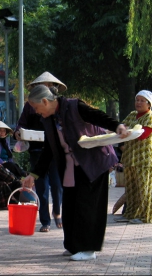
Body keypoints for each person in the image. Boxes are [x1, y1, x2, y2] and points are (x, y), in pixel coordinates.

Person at [21, 84, 130, 261]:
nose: (35, 111)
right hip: (72, 167)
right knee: (70, 205)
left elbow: (98, 116)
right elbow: (49, 150)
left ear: (45, 101)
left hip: (94, 162)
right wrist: (33, 175)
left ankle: (89, 249)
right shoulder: (48, 119)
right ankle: (73, 246)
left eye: (35, 107)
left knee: (88, 207)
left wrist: (117, 126)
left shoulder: (74, 106)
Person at [13, 71, 65, 232]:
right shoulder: (30, 106)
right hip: (37, 150)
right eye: (43, 85)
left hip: (55, 151)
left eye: (50, 86)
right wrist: (19, 133)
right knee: (41, 186)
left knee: (57, 185)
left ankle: (58, 213)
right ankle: (45, 221)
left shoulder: (58, 106)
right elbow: (21, 124)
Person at [115, 90, 152, 224]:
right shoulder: (132, 115)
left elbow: (142, 135)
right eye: (137, 100)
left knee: (144, 189)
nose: (139, 103)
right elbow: (120, 128)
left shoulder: (150, 117)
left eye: (142, 101)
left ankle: (144, 216)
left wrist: (126, 132)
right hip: (130, 158)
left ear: (149, 104)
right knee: (130, 189)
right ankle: (130, 214)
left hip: (143, 159)